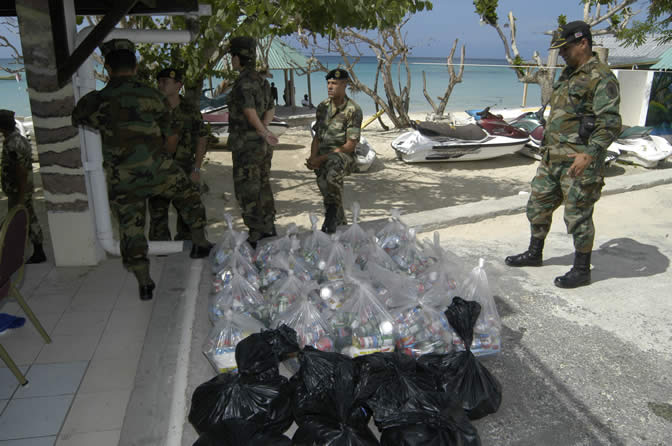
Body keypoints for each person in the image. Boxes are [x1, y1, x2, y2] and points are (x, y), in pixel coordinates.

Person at [72, 39, 213, 301]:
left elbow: (79, 117)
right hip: (158, 169)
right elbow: (171, 137)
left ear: (109, 68)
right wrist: (163, 159)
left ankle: (145, 282)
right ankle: (201, 243)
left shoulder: (96, 101)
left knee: (131, 229)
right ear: (135, 67)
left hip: (123, 178)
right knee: (190, 197)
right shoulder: (154, 97)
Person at [504, 21, 622, 289]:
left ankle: (582, 269)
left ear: (583, 43)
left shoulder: (601, 77)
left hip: (579, 162)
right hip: (551, 158)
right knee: (537, 206)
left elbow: (611, 123)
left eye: (566, 48)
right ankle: (535, 253)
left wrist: (590, 154)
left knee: (577, 215)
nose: (563, 54)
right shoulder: (568, 74)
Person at [226, 36, 278, 248]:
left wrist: (261, 131)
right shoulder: (261, 80)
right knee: (263, 184)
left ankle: (256, 232)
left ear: (238, 58)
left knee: (248, 188)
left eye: (232, 57)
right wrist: (264, 131)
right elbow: (271, 109)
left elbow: (248, 111)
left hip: (247, 145)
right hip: (261, 145)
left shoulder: (243, 83)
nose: (232, 61)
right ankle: (268, 225)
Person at [148, 67, 209, 241]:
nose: (160, 85)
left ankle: (188, 249)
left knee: (189, 217)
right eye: (159, 81)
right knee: (157, 218)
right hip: (158, 170)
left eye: (165, 82)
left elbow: (201, 138)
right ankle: (160, 252)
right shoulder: (153, 110)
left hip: (185, 170)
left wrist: (196, 169)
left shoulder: (190, 110)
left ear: (178, 85)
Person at [305, 68, 362, 233]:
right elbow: (317, 136)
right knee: (326, 188)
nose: (330, 86)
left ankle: (331, 217)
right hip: (323, 156)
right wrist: (312, 157)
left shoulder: (353, 110)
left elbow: (350, 145)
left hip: (344, 156)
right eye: (328, 83)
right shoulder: (323, 107)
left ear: (345, 85)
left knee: (332, 172)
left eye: (335, 83)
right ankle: (339, 223)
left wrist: (321, 158)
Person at [0, 109, 46, 263]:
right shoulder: (19, 139)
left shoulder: (12, 143)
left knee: (22, 220)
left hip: (19, 189)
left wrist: (20, 194)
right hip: (21, 188)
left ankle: (28, 253)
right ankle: (33, 251)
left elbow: (20, 170)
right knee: (26, 218)